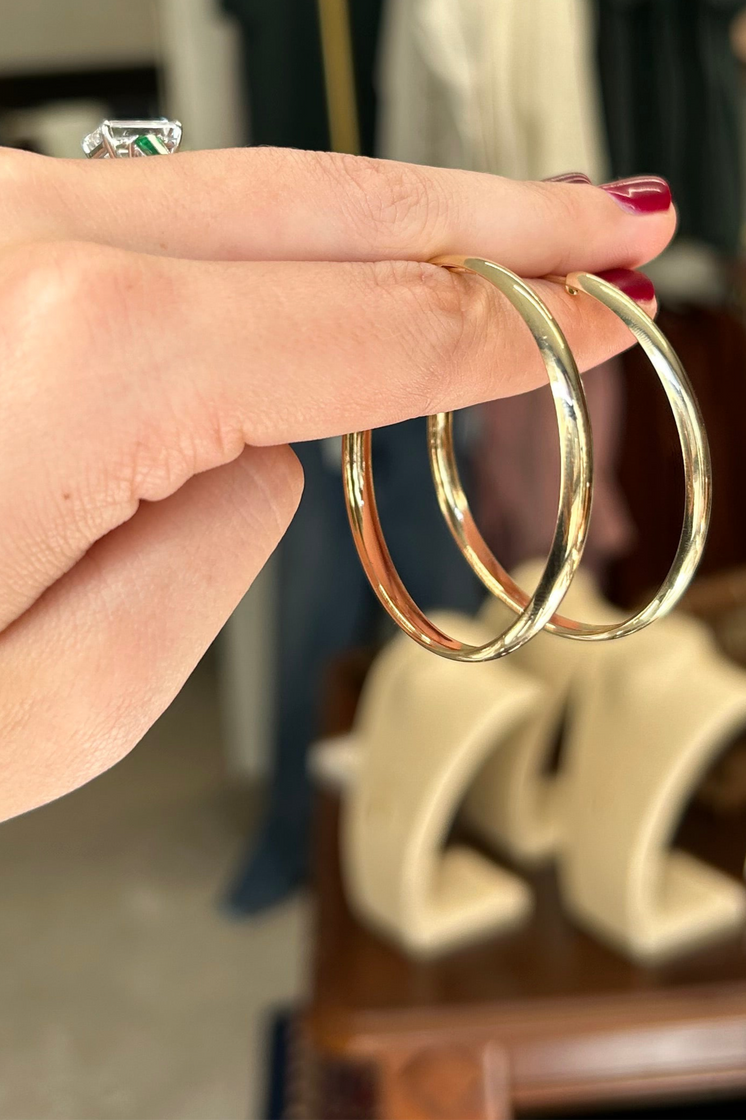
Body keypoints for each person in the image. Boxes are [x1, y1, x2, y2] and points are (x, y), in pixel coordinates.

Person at [0, 145, 673, 824]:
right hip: (332, 362)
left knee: (361, 572)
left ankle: (406, 811)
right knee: (317, 585)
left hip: (390, 345)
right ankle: (315, 823)